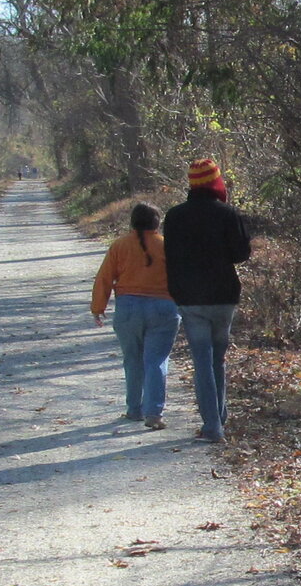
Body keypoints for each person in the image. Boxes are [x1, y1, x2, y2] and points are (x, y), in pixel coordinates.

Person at [157, 157, 253, 441]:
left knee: (202, 359)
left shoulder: (174, 216)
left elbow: (169, 257)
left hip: (190, 298)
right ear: (216, 181)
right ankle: (218, 416)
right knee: (218, 358)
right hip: (223, 296)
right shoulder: (228, 214)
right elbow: (241, 254)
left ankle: (213, 424)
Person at [90, 202, 180, 429]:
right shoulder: (168, 246)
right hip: (163, 307)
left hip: (128, 308)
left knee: (132, 359)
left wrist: (98, 307)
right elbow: (182, 278)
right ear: (157, 223)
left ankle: (134, 409)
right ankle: (154, 413)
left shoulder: (119, 246)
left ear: (132, 222)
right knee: (156, 360)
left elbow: (104, 278)